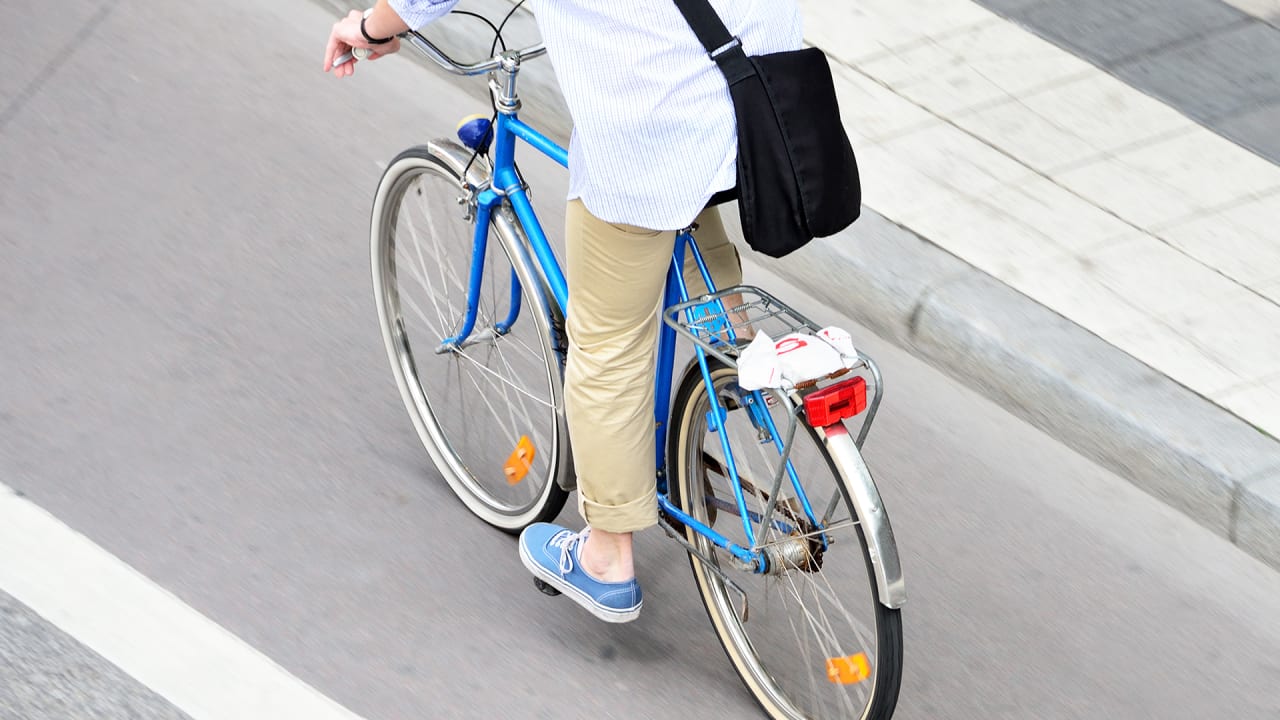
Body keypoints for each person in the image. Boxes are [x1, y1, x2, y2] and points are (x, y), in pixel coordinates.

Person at [324, 0, 801, 623]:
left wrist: (367, 27)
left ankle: (606, 559)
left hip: (658, 122)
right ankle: (729, 352)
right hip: (763, 94)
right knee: (684, 205)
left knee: (606, 340)